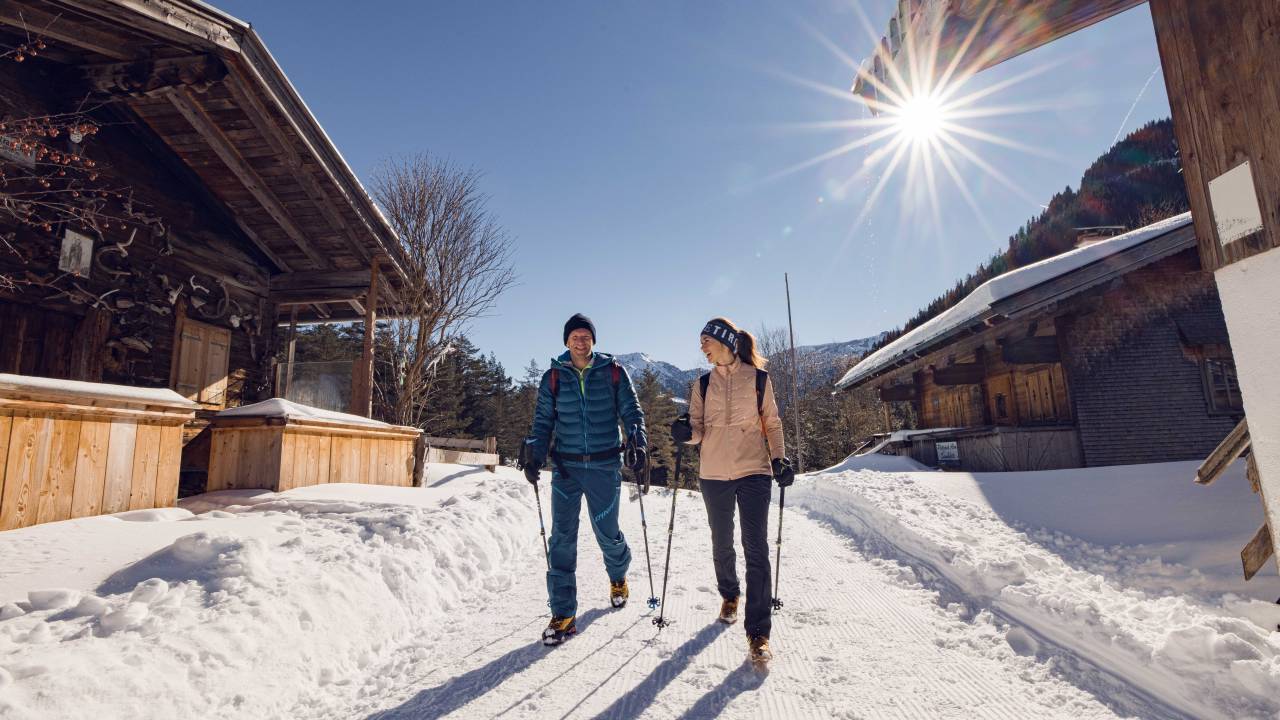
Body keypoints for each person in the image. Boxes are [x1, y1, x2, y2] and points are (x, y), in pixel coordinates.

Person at [671, 317, 794, 663]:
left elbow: (771, 422)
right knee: (721, 541)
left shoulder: (758, 379)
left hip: (754, 470)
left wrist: (780, 458)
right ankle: (729, 594)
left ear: (724, 341)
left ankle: (759, 633)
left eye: (705, 340)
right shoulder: (703, 383)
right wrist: (685, 433)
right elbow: (697, 429)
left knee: (756, 548)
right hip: (713, 474)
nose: (701, 347)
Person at [521, 313, 648, 646]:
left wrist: (638, 440)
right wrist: (533, 453)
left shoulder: (614, 373)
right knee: (562, 538)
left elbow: (632, 412)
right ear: (566, 341)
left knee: (607, 532)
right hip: (566, 468)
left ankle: (618, 575)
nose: (580, 341)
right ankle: (563, 613)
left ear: (593, 340)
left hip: (605, 466)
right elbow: (542, 421)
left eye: (586, 336)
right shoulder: (553, 377)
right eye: (575, 336)